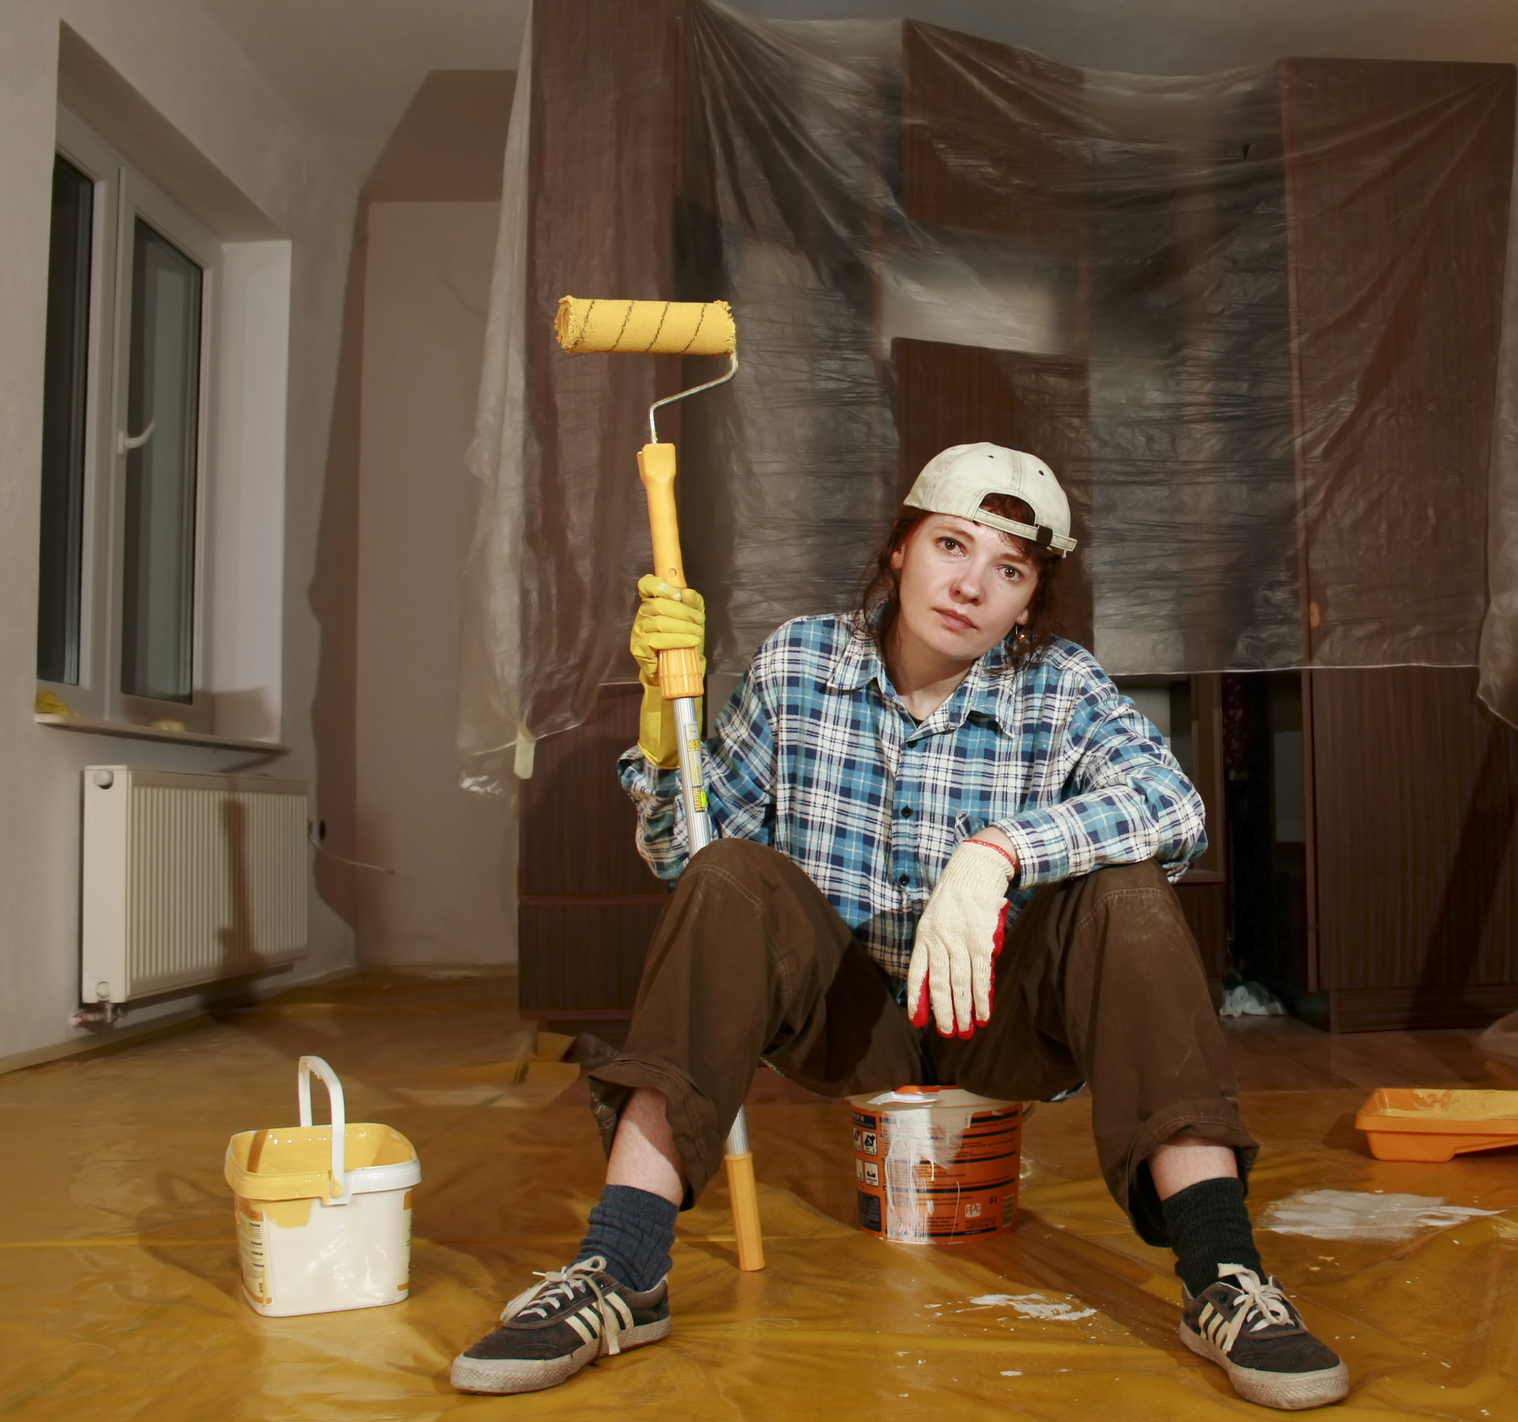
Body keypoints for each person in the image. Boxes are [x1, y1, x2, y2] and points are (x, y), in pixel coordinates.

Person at [451, 443, 1348, 1409]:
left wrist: (996, 852)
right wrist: (664, 740)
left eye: (1009, 571)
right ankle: (621, 1267)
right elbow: (684, 857)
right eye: (950, 546)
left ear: (1027, 603)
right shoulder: (800, 661)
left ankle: (1223, 1276)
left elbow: (1174, 807)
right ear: (899, 550)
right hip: (846, 1022)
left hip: (1001, 1025)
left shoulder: (1059, 685)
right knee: (728, 874)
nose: (970, 587)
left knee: (1127, 889)